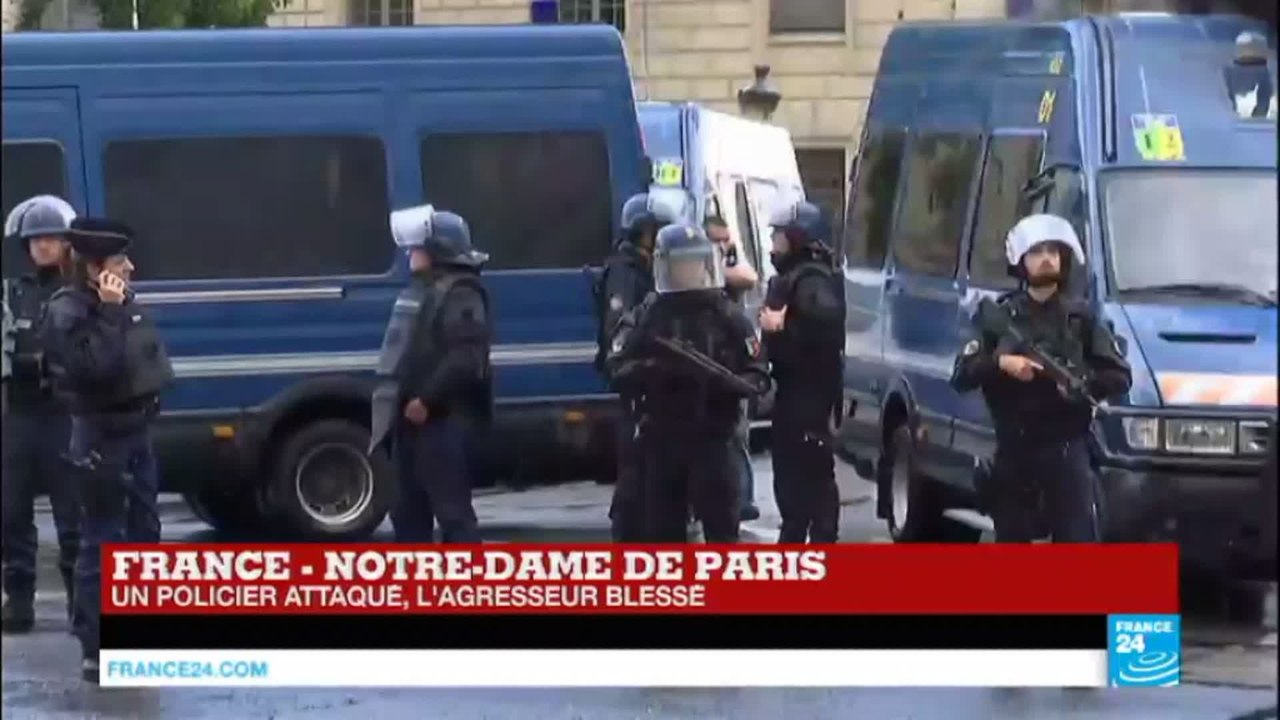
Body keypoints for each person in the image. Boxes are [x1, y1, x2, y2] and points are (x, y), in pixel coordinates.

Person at [40, 217, 173, 682]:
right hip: (101, 439)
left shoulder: (121, 302)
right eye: (121, 261)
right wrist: (111, 312)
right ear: (97, 269)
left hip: (136, 433)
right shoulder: (69, 311)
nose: (131, 268)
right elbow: (94, 369)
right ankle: (98, 647)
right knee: (103, 544)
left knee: (143, 537)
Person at [950, 213, 1131, 543]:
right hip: (1015, 452)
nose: (1046, 259)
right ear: (1020, 261)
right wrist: (1001, 363)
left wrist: (1084, 383)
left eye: (1053, 251)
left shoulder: (1081, 319)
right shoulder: (1001, 316)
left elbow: (1119, 376)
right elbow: (962, 375)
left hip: (1067, 450)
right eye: (1036, 252)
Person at [607, 223, 770, 543]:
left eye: (695, 264)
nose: (689, 271)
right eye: (681, 265)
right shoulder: (650, 315)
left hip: (715, 438)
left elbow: (759, 376)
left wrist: (725, 383)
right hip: (663, 439)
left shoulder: (728, 317)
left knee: (723, 532)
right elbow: (617, 367)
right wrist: (656, 370)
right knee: (661, 533)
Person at [370, 204, 492, 544]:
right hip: (410, 421)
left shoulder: (461, 293)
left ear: (440, 249)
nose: (411, 253)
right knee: (407, 514)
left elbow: (466, 357)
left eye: (418, 248)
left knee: (453, 514)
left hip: (442, 421)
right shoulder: (425, 289)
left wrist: (427, 399)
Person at [1, 196, 81, 634]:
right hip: (18, 416)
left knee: (72, 516)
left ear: (66, 243)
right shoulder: (13, 293)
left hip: (63, 417)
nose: (43, 246)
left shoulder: (79, 293)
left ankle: (80, 602)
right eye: (36, 240)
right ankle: (18, 601)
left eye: (51, 238)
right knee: (11, 513)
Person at [758, 201, 845, 544]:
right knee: (790, 475)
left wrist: (782, 327)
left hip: (809, 395)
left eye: (779, 237)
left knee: (812, 473)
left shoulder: (812, 282)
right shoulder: (793, 279)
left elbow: (824, 334)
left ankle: (816, 541)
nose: (773, 245)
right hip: (793, 392)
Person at [595, 192, 679, 542]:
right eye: (656, 231)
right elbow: (621, 331)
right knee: (635, 477)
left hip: (655, 386)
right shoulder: (625, 273)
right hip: (636, 386)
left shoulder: (648, 268)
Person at [706, 214, 762, 523]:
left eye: (726, 239)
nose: (724, 244)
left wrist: (722, 261)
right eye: (718, 239)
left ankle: (743, 500)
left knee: (737, 436)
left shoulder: (726, 265)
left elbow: (747, 277)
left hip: (732, 363)